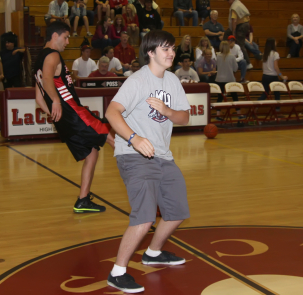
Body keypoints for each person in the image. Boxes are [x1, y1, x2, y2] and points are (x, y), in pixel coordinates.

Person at [105, 29, 190, 293]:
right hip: (134, 155)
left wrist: (166, 110)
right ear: (151, 52)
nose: (171, 53)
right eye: (165, 49)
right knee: (144, 217)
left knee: (177, 211)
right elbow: (111, 112)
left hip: (163, 155)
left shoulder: (173, 81)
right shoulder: (138, 81)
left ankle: (153, 252)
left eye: (173, 48)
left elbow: (184, 118)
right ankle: (117, 272)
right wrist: (134, 138)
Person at [33, 22, 114, 213]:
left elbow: (38, 97)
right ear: (55, 36)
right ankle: (144, 179)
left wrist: (54, 114)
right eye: (66, 37)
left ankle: (83, 200)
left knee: (92, 153)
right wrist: (56, 102)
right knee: (110, 136)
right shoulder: (52, 55)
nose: (68, 42)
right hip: (75, 113)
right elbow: (46, 81)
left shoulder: (39, 59)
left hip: (65, 120)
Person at [215, 41, 241, 120]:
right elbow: (235, 68)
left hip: (219, 79)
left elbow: (216, 67)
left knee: (220, 97)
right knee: (234, 96)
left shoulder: (217, 56)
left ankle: (218, 114)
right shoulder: (232, 56)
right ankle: (239, 113)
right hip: (230, 79)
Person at [227, 0, 251, 66]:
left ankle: (248, 63)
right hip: (246, 24)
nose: (228, 3)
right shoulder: (239, 4)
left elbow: (234, 21)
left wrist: (233, 31)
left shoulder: (234, 7)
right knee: (241, 43)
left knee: (240, 44)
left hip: (241, 26)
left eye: (228, 1)